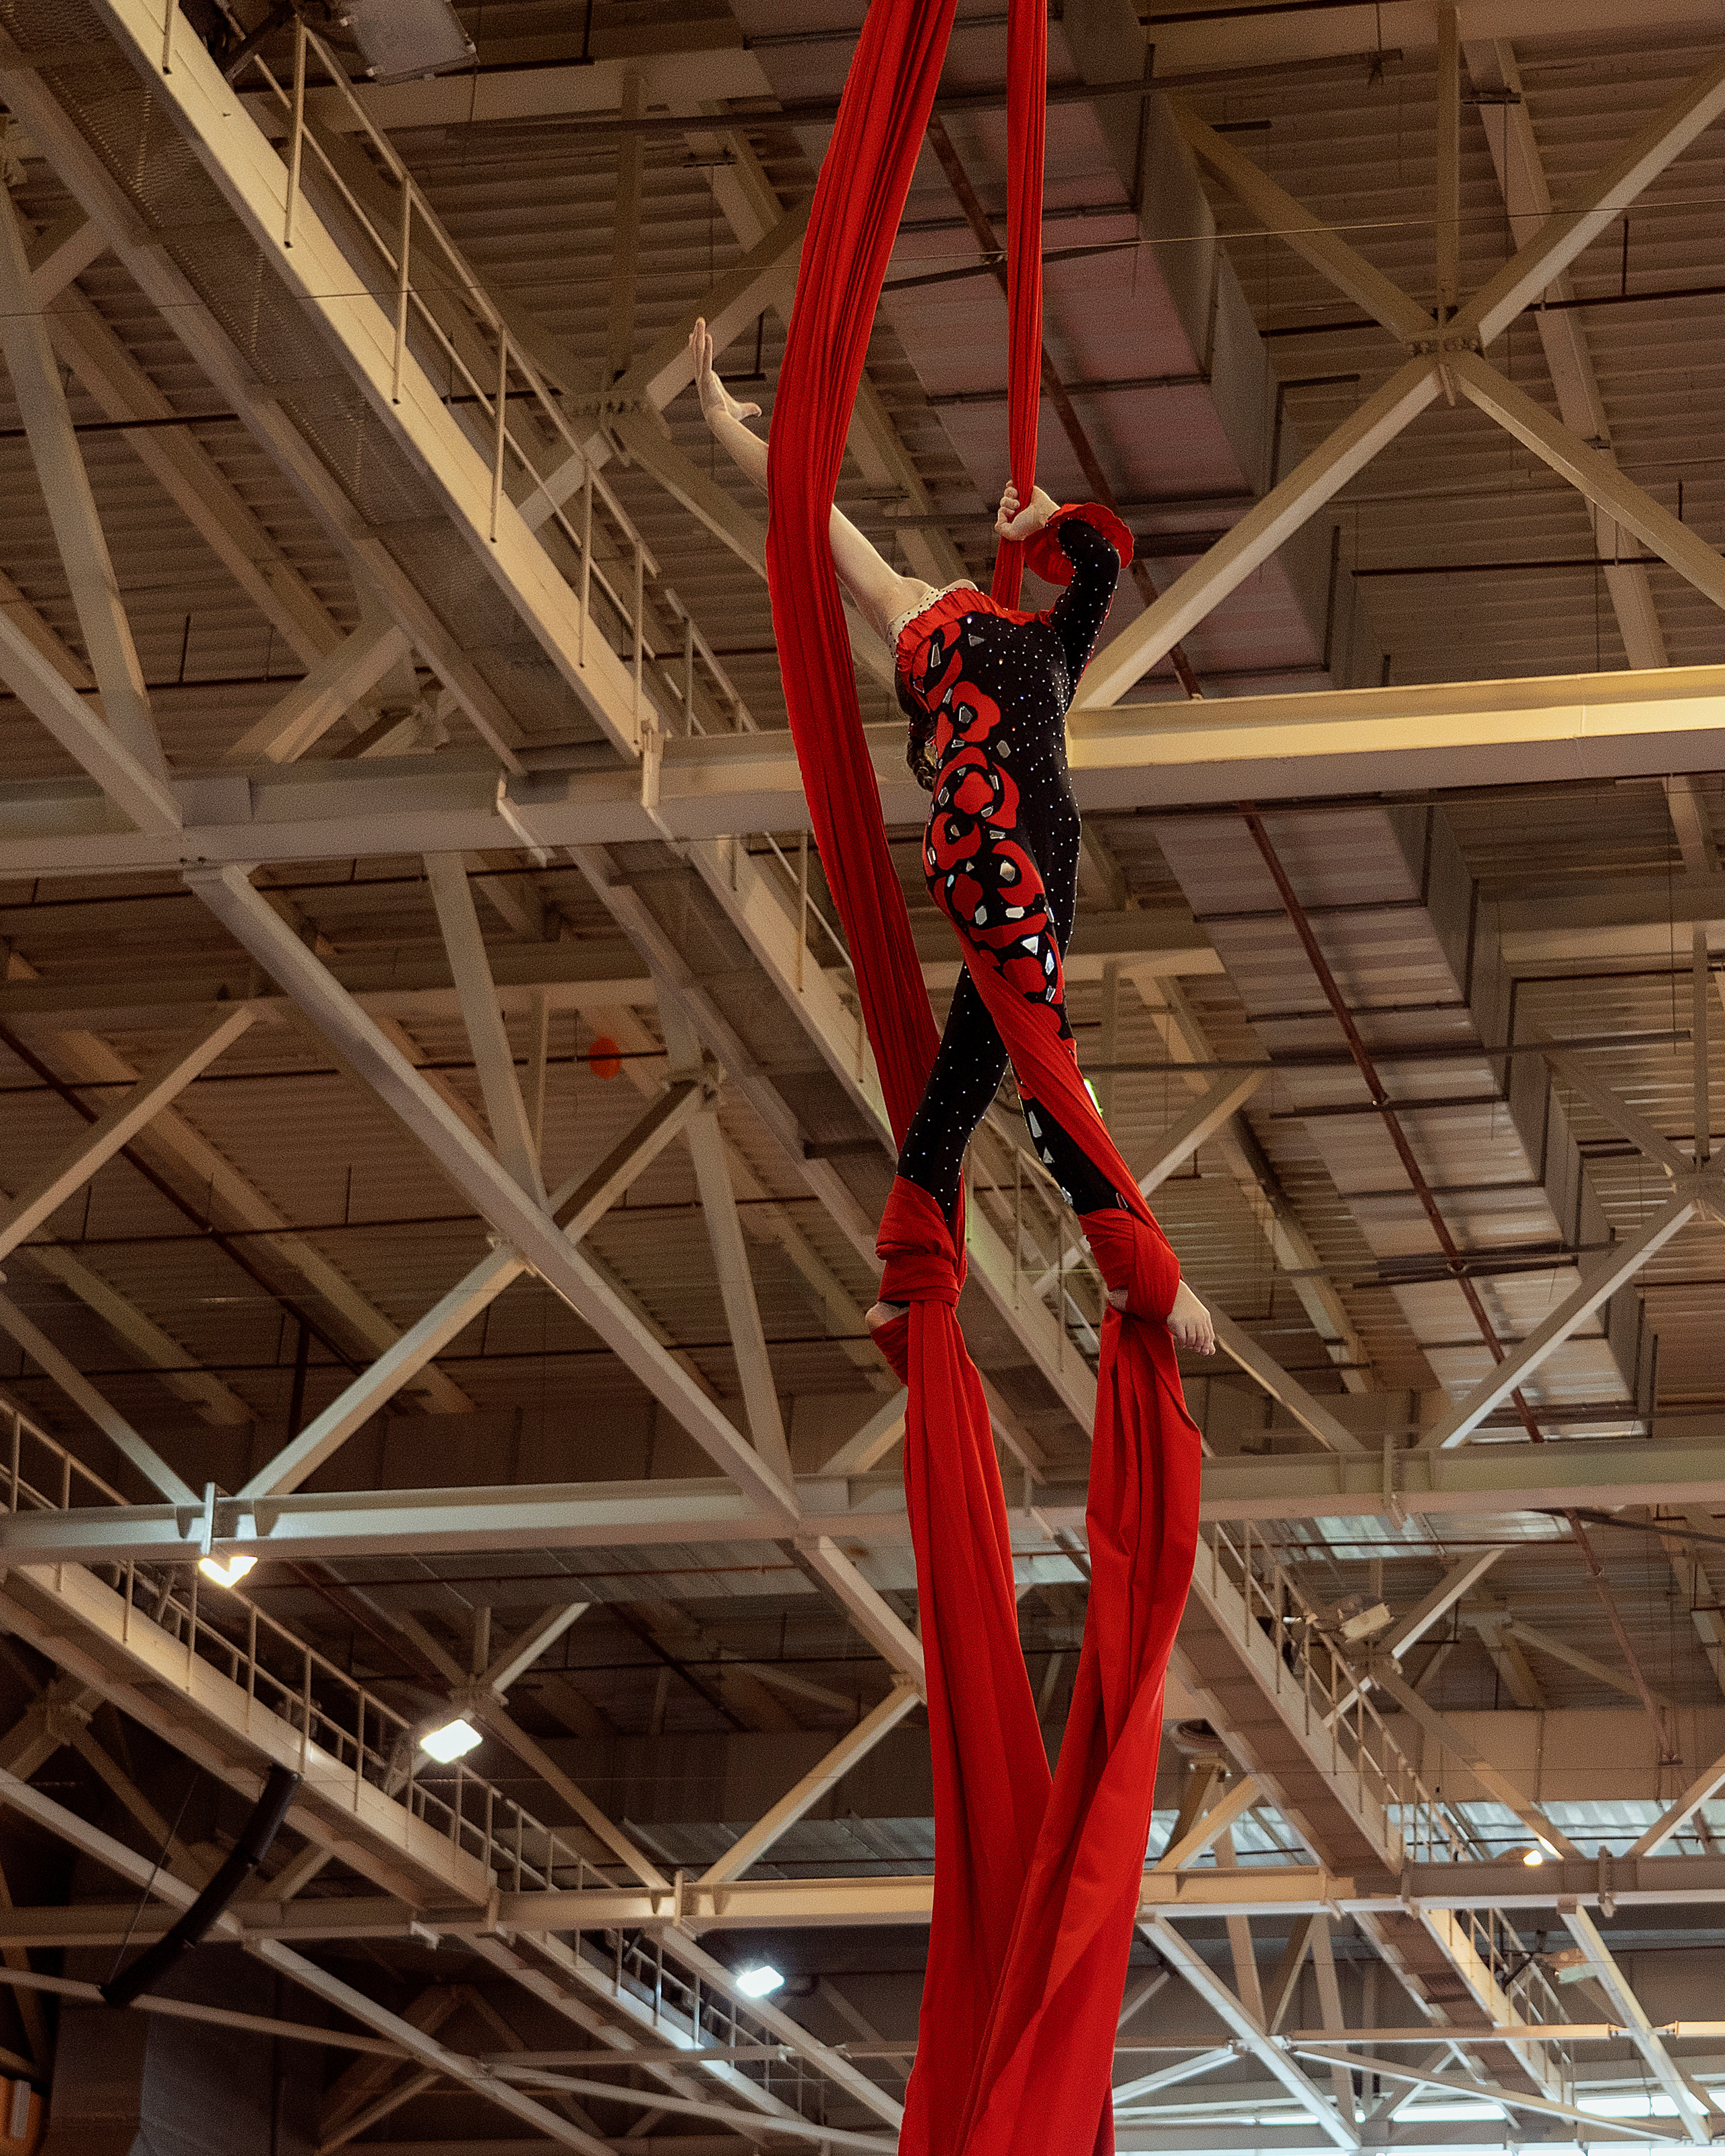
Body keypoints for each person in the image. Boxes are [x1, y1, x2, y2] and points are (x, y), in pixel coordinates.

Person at [690, 319, 1214, 1357]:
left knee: (980, 1058)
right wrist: (727, 429)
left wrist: (1046, 522)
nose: (935, 589)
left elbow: (1104, 561)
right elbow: (816, 515)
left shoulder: (1049, 653)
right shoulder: (920, 625)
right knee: (1038, 1049)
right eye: (923, 600)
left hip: (1040, 859)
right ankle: (1135, 1263)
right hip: (991, 847)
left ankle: (916, 1264)